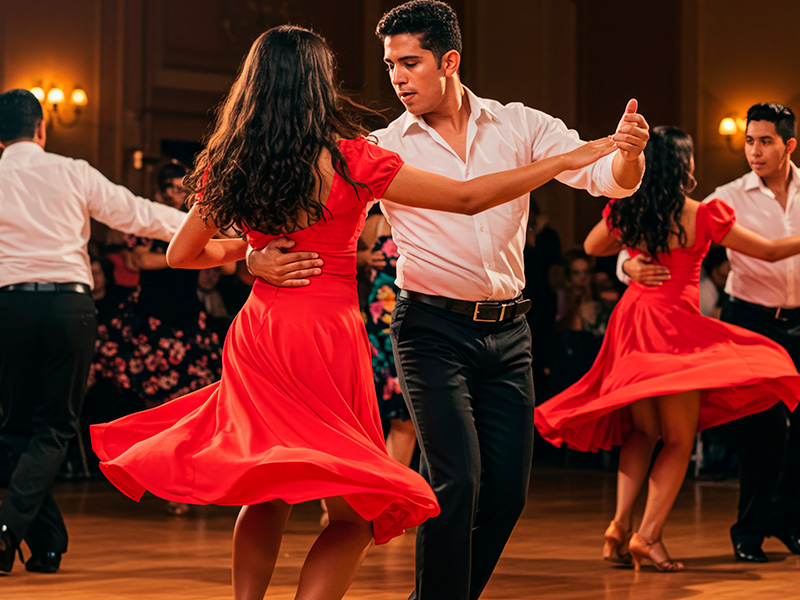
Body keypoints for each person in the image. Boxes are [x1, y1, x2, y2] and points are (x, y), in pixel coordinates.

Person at [89, 25, 616, 600]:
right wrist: (566, 159)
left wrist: (252, 253)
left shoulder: (233, 162)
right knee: (353, 512)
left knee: (264, 489)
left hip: (262, 333)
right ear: (320, 83)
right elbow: (468, 199)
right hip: (329, 339)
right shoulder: (353, 159)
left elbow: (181, 253)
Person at [535, 126, 800, 572]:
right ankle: (648, 537)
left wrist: (632, 259)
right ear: (684, 164)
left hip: (634, 321)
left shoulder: (629, 207)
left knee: (643, 432)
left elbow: (593, 246)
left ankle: (618, 528)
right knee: (678, 440)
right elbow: (771, 252)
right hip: (674, 328)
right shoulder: (702, 214)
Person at [0, 88, 186, 574]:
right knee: (55, 426)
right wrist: (206, 225)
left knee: (15, 429)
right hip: (68, 307)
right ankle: (7, 531)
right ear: (42, 128)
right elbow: (139, 213)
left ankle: (47, 543)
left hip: (8, 308)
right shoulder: (71, 170)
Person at [619, 103, 800, 563]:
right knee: (759, 428)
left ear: (788, 145)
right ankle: (746, 531)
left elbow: (611, 234)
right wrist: (629, 266)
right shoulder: (723, 199)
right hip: (745, 317)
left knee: (797, 430)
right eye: (750, 141)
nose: (754, 151)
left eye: (765, 141)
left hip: (794, 318)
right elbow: (642, 237)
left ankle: (787, 520)